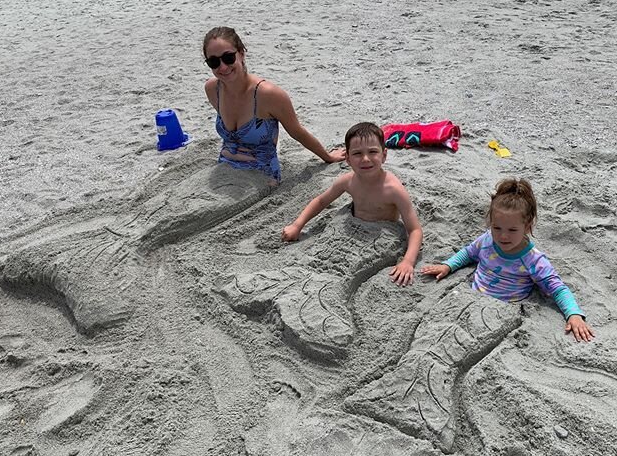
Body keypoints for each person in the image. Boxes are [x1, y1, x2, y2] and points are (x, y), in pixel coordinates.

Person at [421, 178, 594, 343]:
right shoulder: (487, 240)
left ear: (527, 227)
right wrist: (448, 265)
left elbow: (557, 288)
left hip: (503, 309)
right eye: (497, 228)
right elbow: (468, 253)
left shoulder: (533, 260)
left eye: (512, 230)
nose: (503, 236)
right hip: (470, 297)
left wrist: (573, 314)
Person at [282, 122, 423, 286]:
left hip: (383, 232)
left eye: (372, 152)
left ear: (384, 155)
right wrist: (297, 225)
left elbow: (415, 230)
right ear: (347, 158)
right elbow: (321, 201)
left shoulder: (393, 189)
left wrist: (407, 261)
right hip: (351, 223)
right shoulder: (348, 181)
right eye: (357, 153)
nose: (365, 159)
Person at [203, 27, 345, 185]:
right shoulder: (212, 89)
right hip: (224, 169)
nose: (222, 67)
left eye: (228, 57)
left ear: (241, 53)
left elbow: (297, 131)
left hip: (261, 175)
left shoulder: (269, 95)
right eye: (214, 62)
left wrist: (328, 157)